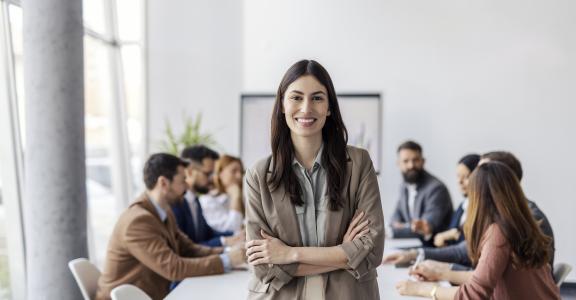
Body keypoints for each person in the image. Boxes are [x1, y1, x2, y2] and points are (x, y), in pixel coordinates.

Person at [244, 60, 384, 299]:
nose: (306, 108)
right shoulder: (258, 175)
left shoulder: (359, 163)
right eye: (296, 98)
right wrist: (344, 254)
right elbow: (265, 267)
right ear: (282, 105)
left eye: (317, 98)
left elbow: (371, 250)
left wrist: (290, 254)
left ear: (329, 107)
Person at [395, 161, 560, 299]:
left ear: (478, 196)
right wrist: (440, 273)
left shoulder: (499, 232)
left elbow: (474, 294)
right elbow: (485, 277)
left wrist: (420, 289)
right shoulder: (520, 223)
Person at [96, 153, 245, 300]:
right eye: (182, 181)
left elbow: (188, 248)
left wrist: (228, 251)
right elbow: (174, 268)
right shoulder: (138, 221)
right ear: (164, 183)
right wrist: (228, 260)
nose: (187, 185)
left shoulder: (163, 211)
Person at [383, 151, 555, 270]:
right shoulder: (504, 214)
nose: (475, 181)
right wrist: (418, 256)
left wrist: (438, 271)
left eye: (480, 173)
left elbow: (481, 276)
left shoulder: (523, 219)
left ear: (503, 177)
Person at [383, 154, 479, 266]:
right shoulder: (462, 207)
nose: (460, 182)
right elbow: (396, 216)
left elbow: (462, 249)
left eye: (466, 177)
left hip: (459, 268)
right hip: (445, 259)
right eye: (458, 176)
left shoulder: (436, 189)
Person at [171, 145, 244, 247]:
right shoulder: (176, 204)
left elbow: (207, 233)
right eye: (208, 174)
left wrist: (235, 236)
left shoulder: (195, 201)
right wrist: (226, 243)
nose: (212, 179)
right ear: (190, 172)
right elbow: (187, 248)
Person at [390, 141, 453, 244]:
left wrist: (393, 230)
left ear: (423, 161)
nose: (411, 165)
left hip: (434, 249)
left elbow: (424, 228)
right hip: (412, 244)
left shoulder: (436, 189)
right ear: (398, 164)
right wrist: (398, 225)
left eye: (415, 160)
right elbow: (396, 217)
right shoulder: (404, 186)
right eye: (406, 161)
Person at [199, 155, 245, 232]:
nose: (239, 176)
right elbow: (233, 228)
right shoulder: (207, 201)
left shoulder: (237, 197)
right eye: (234, 171)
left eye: (241, 172)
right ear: (220, 173)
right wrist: (235, 197)